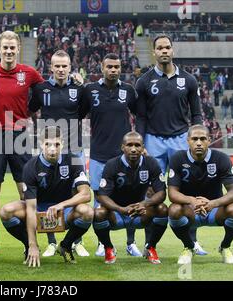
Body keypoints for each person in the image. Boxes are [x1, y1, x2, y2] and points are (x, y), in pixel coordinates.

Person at [0, 30, 45, 256]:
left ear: (18, 49)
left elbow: (42, 93)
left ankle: (28, 243)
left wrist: (29, 112)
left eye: (13, 47)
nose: (9, 51)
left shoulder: (29, 73)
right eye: (5, 47)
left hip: (20, 134)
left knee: (25, 189)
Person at [135, 34, 207, 255]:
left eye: (167, 47)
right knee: (151, 192)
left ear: (172, 50)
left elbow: (196, 114)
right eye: (160, 48)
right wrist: (141, 141)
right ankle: (150, 245)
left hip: (179, 139)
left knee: (187, 190)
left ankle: (192, 242)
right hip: (153, 140)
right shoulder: (144, 81)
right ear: (154, 51)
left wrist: (198, 137)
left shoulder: (189, 80)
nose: (164, 51)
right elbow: (141, 117)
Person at [0, 126, 93, 266]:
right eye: (47, 144)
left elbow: (86, 194)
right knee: (6, 211)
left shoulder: (73, 160)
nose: (52, 149)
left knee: (88, 212)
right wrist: (33, 244)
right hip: (39, 212)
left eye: (56, 144)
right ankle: (28, 247)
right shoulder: (30, 167)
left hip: (64, 212)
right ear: (41, 144)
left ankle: (66, 246)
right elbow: (31, 208)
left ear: (62, 143)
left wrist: (61, 205)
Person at [82, 53, 143, 257]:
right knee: (99, 201)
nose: (113, 70)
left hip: (124, 158)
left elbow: (139, 115)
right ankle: (103, 243)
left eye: (117, 67)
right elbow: (78, 114)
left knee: (131, 199)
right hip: (99, 155)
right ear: (102, 67)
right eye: (109, 66)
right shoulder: (90, 90)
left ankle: (131, 242)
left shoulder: (128, 90)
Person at [29, 49, 89, 257]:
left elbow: (82, 113)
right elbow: (30, 110)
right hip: (50, 148)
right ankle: (52, 241)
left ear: (70, 67)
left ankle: (75, 241)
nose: (61, 69)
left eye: (65, 66)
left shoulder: (79, 89)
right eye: (57, 66)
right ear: (51, 67)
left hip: (73, 148)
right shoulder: (40, 89)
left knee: (77, 193)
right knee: (49, 193)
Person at [168, 125, 233, 264]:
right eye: (194, 139)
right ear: (188, 141)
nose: (198, 143)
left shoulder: (221, 158)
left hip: (215, 210)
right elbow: (172, 193)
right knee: (174, 209)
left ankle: (225, 246)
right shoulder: (177, 158)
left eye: (202, 139)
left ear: (209, 140)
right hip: (190, 210)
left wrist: (212, 203)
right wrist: (192, 200)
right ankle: (189, 247)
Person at [93, 131, 168, 264]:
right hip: (117, 213)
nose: (133, 149)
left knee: (162, 209)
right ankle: (108, 248)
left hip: (141, 212)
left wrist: (144, 204)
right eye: (129, 145)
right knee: (98, 213)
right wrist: (121, 209)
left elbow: (161, 192)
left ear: (143, 147)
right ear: (123, 147)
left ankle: (150, 247)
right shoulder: (112, 164)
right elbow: (102, 196)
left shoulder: (151, 163)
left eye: (137, 145)